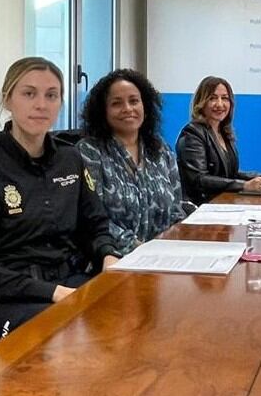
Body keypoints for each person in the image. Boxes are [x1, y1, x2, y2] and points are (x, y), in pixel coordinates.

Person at [0, 57, 118, 343]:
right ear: (7, 99)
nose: (41, 104)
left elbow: (95, 225)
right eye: (29, 94)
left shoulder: (70, 159)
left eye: (51, 95)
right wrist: (51, 293)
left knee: (131, 315)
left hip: (70, 282)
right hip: (9, 298)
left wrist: (108, 255)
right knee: (71, 338)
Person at [77, 69, 184, 256]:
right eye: (116, 103)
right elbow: (92, 219)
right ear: (103, 111)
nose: (128, 109)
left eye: (134, 101)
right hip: (112, 259)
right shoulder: (89, 152)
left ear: (145, 105)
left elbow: (176, 210)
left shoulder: (160, 149)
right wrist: (140, 250)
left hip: (165, 258)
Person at [176, 76, 261, 203]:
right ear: (201, 102)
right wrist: (244, 186)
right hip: (201, 207)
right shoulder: (192, 133)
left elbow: (229, 174)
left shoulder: (223, 132)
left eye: (224, 98)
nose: (220, 104)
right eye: (213, 98)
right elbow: (199, 179)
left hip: (223, 204)